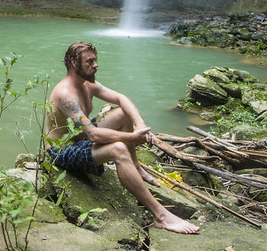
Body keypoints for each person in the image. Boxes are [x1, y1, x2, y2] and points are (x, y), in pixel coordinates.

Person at [45, 41, 200, 235]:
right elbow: (93, 134)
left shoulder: (87, 84)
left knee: (122, 113)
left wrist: (140, 125)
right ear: (73, 63)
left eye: (95, 60)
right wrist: (132, 137)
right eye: (89, 61)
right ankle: (161, 216)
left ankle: (135, 167)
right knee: (118, 149)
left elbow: (121, 98)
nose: (95, 65)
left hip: (80, 138)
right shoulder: (65, 94)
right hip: (60, 151)